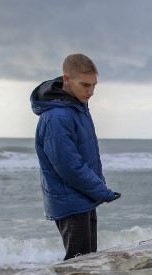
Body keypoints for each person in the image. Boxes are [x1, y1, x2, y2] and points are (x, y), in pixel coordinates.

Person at [30, 53, 120, 260]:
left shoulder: (76, 107)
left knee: (88, 261)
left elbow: (86, 154)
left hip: (83, 197)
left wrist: (98, 188)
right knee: (77, 264)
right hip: (70, 201)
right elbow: (69, 167)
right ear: (67, 79)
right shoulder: (58, 117)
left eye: (94, 85)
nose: (91, 91)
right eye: (85, 85)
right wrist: (102, 191)